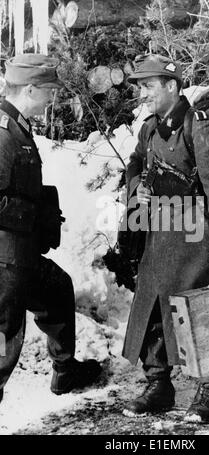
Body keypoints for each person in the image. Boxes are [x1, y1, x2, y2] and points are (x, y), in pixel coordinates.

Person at [122, 54, 209, 422]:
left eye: (148, 86)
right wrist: (138, 188)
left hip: (201, 236)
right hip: (162, 234)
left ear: (171, 86)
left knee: (207, 310)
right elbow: (134, 164)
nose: (143, 94)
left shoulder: (200, 127)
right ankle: (158, 384)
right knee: (152, 308)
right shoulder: (149, 129)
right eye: (140, 87)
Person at [0, 53, 102, 405]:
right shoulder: (1, 134)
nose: (51, 99)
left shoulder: (19, 126)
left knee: (57, 290)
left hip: (21, 253)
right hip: (5, 259)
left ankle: (65, 370)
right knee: (3, 341)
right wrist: (32, 216)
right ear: (30, 89)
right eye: (48, 91)